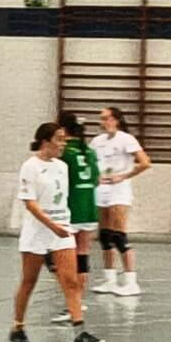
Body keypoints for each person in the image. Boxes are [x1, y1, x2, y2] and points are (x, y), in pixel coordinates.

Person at [11, 122, 101, 342]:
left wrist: (66, 225)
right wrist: (52, 225)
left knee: (70, 281)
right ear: (45, 142)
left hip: (62, 229)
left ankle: (80, 332)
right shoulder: (30, 167)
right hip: (38, 231)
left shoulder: (62, 166)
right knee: (29, 281)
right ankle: (18, 328)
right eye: (59, 139)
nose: (63, 144)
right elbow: (30, 203)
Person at [91, 106, 151, 296]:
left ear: (116, 120)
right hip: (102, 190)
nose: (104, 122)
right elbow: (92, 164)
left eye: (107, 118)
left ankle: (131, 282)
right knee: (105, 236)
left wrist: (124, 176)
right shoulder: (97, 141)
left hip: (119, 191)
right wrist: (95, 177)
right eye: (101, 119)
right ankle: (110, 280)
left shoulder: (126, 139)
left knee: (119, 236)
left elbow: (145, 162)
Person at [51, 112, 102, 324]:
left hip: (71, 209)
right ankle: (78, 301)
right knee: (82, 255)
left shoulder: (63, 152)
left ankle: (71, 303)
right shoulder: (88, 150)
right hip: (89, 207)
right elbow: (97, 179)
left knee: (58, 258)